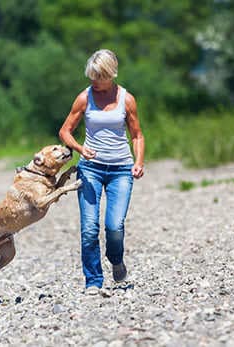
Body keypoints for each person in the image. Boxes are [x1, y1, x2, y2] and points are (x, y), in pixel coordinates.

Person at [58, 49, 145, 295]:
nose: (94, 81)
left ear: (111, 74)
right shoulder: (84, 98)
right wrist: (78, 147)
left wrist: (138, 161)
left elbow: (137, 135)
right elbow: (65, 131)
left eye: (99, 76)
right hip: (90, 170)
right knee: (89, 228)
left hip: (121, 169)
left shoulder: (127, 99)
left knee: (114, 226)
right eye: (92, 76)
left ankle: (116, 260)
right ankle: (93, 280)